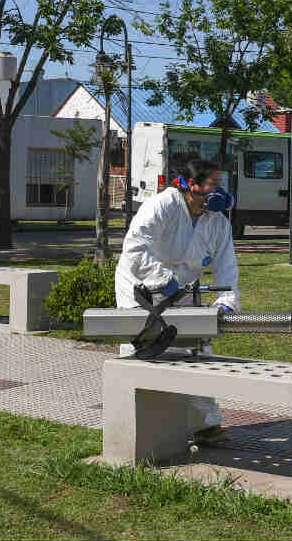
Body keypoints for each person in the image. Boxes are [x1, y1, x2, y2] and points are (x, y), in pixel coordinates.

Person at [115, 158, 239, 444]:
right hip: (140, 285)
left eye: (220, 185)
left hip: (182, 289)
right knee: (141, 347)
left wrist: (227, 300)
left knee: (197, 349)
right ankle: (130, 423)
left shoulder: (217, 222)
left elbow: (227, 265)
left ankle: (204, 425)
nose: (219, 192)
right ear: (191, 185)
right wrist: (159, 278)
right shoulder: (164, 205)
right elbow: (135, 249)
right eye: (213, 184)